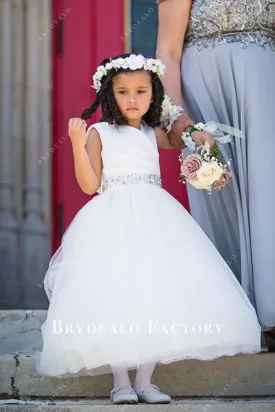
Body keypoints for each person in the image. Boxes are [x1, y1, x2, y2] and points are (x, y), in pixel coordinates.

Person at [35, 53, 261, 405]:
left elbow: (183, 138)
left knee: (158, 289)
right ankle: (121, 382)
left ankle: (145, 381)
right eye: (123, 92)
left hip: (156, 217)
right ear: (109, 94)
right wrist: (78, 144)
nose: (132, 99)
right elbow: (89, 184)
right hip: (113, 218)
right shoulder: (99, 132)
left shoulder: (151, 132)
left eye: (141, 91)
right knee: (117, 293)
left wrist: (199, 138)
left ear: (153, 94)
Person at [156, 0, 275, 350]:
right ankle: (234, 317)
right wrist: (177, 118)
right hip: (207, 88)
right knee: (220, 187)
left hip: (266, 87)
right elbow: (167, 51)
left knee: (268, 188)